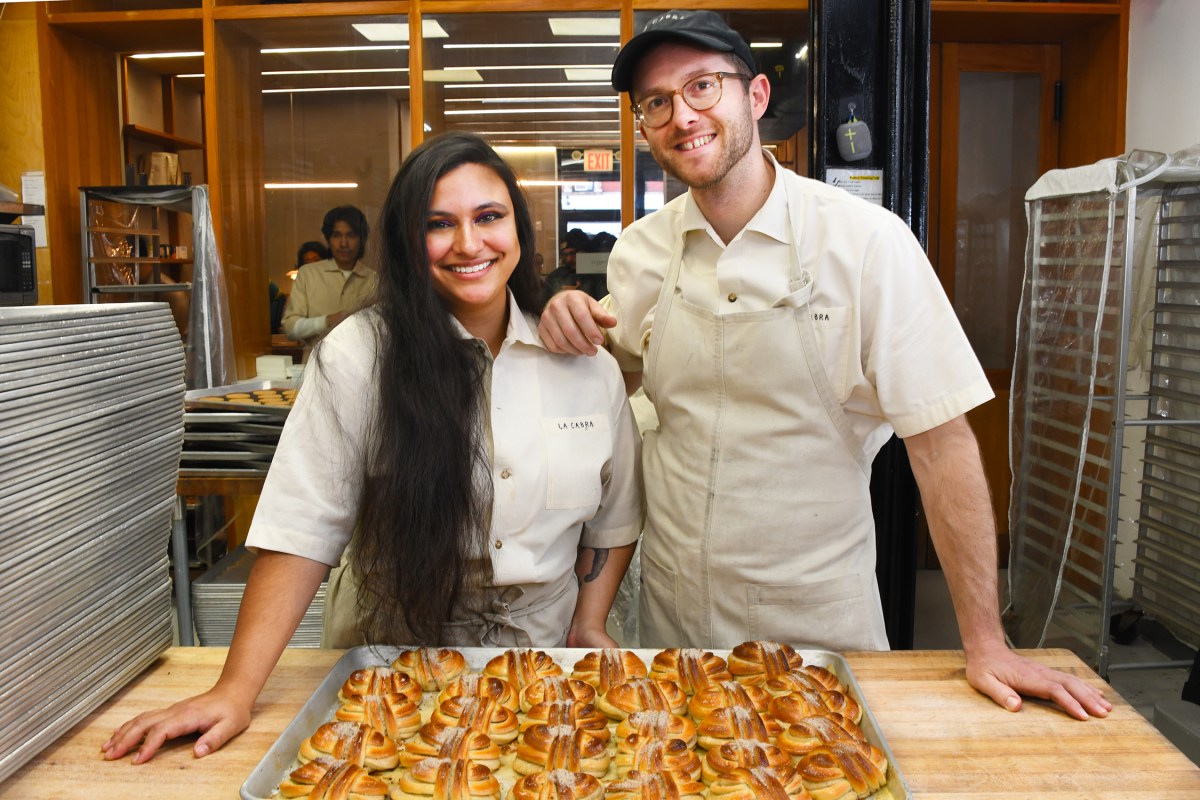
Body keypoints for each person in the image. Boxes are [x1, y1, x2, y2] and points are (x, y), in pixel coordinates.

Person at [537, 9, 1112, 722]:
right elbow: (613, 417)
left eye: (702, 87)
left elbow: (941, 447)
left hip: (816, 638)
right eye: (657, 102)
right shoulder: (638, 255)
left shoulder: (867, 243)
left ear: (754, 97)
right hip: (672, 636)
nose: (682, 115)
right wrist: (565, 323)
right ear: (644, 127)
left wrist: (985, 642)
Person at [102, 132, 643, 764]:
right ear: (409, 244)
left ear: (519, 230)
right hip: (392, 664)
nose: (469, 244)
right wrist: (235, 689)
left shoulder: (584, 367)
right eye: (439, 224)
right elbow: (302, 528)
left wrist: (588, 623)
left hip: (541, 664)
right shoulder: (360, 356)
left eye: (489, 217)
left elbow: (613, 517)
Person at [281, 205, 376, 350]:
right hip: (315, 367)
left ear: (361, 239)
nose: (344, 243)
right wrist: (326, 321)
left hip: (361, 369)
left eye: (351, 235)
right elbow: (290, 328)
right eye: (336, 235)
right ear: (328, 239)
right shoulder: (308, 274)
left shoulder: (374, 280)